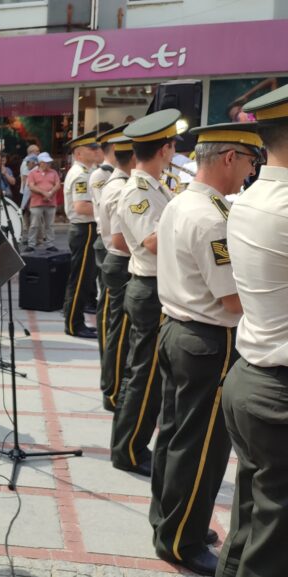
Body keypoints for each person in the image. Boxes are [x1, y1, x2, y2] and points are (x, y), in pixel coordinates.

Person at [151, 123, 259, 576]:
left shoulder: (184, 201)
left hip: (179, 329)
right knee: (200, 448)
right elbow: (232, 299)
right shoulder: (211, 216)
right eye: (251, 161)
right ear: (230, 157)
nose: (253, 171)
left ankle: (168, 523)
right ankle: (182, 540)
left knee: (175, 437)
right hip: (207, 339)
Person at [216, 84, 288, 577]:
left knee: (252, 517)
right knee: (274, 538)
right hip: (276, 386)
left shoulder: (250, 196)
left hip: (252, 374)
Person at [109, 109, 180, 477]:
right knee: (144, 376)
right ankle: (129, 450)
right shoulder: (137, 191)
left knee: (146, 374)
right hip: (147, 288)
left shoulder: (157, 186)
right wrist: (186, 214)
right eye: (172, 147)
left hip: (157, 288)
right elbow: (151, 242)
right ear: (165, 149)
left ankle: (131, 444)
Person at [97, 136, 135, 412]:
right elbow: (121, 241)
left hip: (119, 262)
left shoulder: (121, 184)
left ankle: (114, 386)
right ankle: (113, 392)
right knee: (119, 333)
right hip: (120, 262)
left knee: (116, 329)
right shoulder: (120, 188)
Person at [89, 125, 128, 356]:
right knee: (106, 300)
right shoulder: (102, 175)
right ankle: (107, 348)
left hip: (107, 239)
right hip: (106, 241)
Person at [61, 131, 100, 339]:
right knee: (80, 279)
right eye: (91, 149)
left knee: (84, 279)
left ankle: (75, 321)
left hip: (87, 230)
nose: (96, 151)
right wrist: (108, 209)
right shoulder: (81, 174)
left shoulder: (86, 171)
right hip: (84, 229)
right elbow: (82, 206)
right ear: (78, 154)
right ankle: (74, 324)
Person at [25, 152, 61, 252]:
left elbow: (58, 185)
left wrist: (49, 193)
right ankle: (31, 244)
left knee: (49, 225)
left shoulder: (53, 172)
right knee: (34, 224)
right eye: (46, 162)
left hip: (50, 202)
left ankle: (50, 244)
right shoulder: (32, 173)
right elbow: (31, 186)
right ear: (40, 162)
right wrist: (45, 193)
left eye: (49, 162)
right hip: (37, 202)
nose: (49, 164)